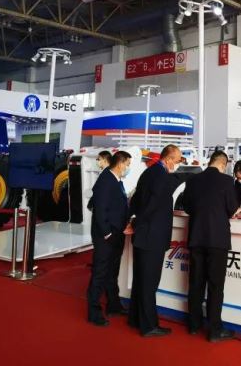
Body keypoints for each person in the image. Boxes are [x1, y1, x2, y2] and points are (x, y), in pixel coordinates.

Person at [178, 150, 239, 342]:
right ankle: (214, 330)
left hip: (196, 237)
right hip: (217, 240)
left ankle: (194, 325)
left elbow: (187, 207)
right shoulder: (227, 181)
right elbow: (232, 208)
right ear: (223, 164)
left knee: (196, 283)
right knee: (215, 285)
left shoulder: (193, 180)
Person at [128, 143, 183, 337]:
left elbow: (136, 201)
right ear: (169, 159)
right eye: (177, 160)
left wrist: (133, 221)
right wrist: (136, 223)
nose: (178, 164)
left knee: (141, 280)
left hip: (144, 236)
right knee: (149, 283)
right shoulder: (161, 177)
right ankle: (149, 326)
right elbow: (151, 207)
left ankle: (136, 319)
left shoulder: (149, 173)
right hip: (152, 237)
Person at [87, 150, 131, 327]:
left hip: (116, 234)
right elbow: (100, 210)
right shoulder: (106, 180)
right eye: (127, 164)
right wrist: (108, 234)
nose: (128, 168)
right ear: (120, 163)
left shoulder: (116, 180)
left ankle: (113, 305)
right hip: (106, 236)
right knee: (100, 273)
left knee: (112, 272)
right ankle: (94, 312)